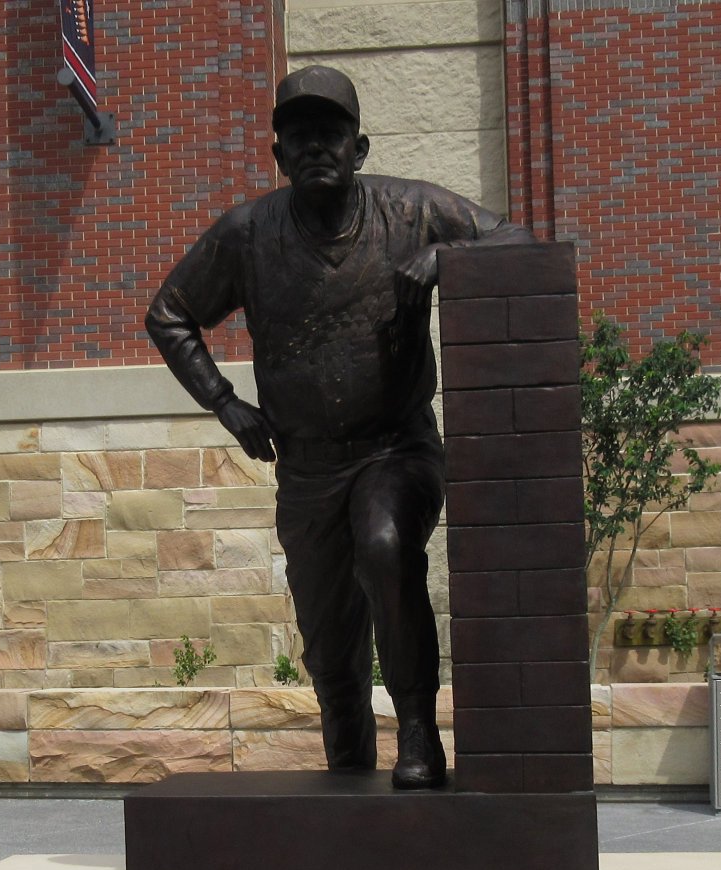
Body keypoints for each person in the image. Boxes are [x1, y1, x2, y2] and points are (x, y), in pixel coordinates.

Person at [145, 64, 532, 789]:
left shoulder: (410, 212)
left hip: (397, 446)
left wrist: (448, 256)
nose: (315, 146)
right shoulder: (247, 235)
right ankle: (349, 768)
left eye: (331, 134)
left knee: (386, 548)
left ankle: (418, 735)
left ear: (360, 148)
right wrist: (224, 403)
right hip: (308, 464)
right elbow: (169, 315)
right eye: (298, 136)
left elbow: (517, 239)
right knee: (328, 643)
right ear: (278, 154)